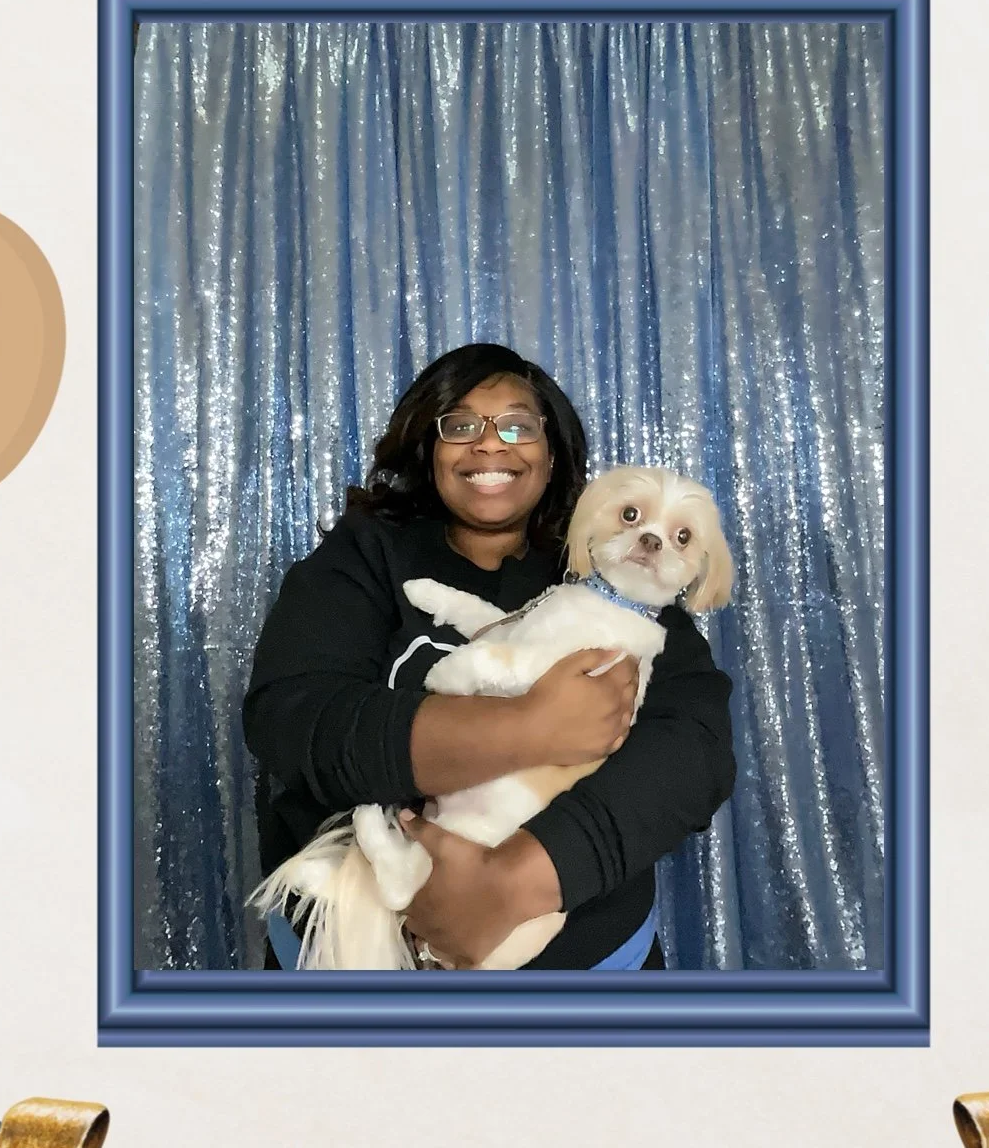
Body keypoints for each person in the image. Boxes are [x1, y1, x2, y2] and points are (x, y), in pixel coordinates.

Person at [243, 342, 736, 971]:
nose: (490, 445)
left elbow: (695, 751)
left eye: (517, 426)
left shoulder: (618, 573)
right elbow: (292, 719)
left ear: (551, 453)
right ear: (430, 445)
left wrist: (517, 881)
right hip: (349, 966)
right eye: (462, 425)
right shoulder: (362, 556)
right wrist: (529, 728)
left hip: (581, 969)